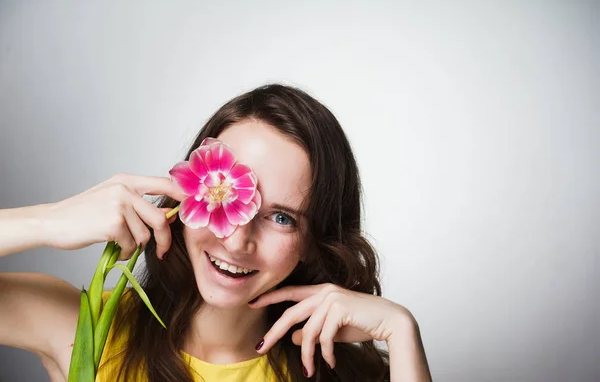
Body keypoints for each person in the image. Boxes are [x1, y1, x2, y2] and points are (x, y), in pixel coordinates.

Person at [0, 84, 432, 381]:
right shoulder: (89, 328)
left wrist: (400, 328)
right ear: (187, 193)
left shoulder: (341, 371)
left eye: (281, 217)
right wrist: (46, 221)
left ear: (312, 241)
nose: (236, 240)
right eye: (222, 198)